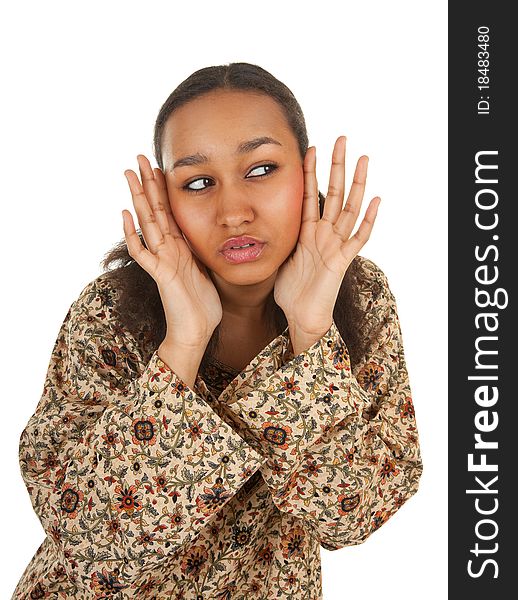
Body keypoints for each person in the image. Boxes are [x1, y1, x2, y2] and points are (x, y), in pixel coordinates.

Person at [13, 63, 423, 599]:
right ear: (165, 197)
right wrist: (182, 343)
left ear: (305, 174)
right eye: (199, 182)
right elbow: (87, 537)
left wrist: (310, 331)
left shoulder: (360, 296)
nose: (233, 212)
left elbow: (356, 515)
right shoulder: (108, 312)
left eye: (260, 169)